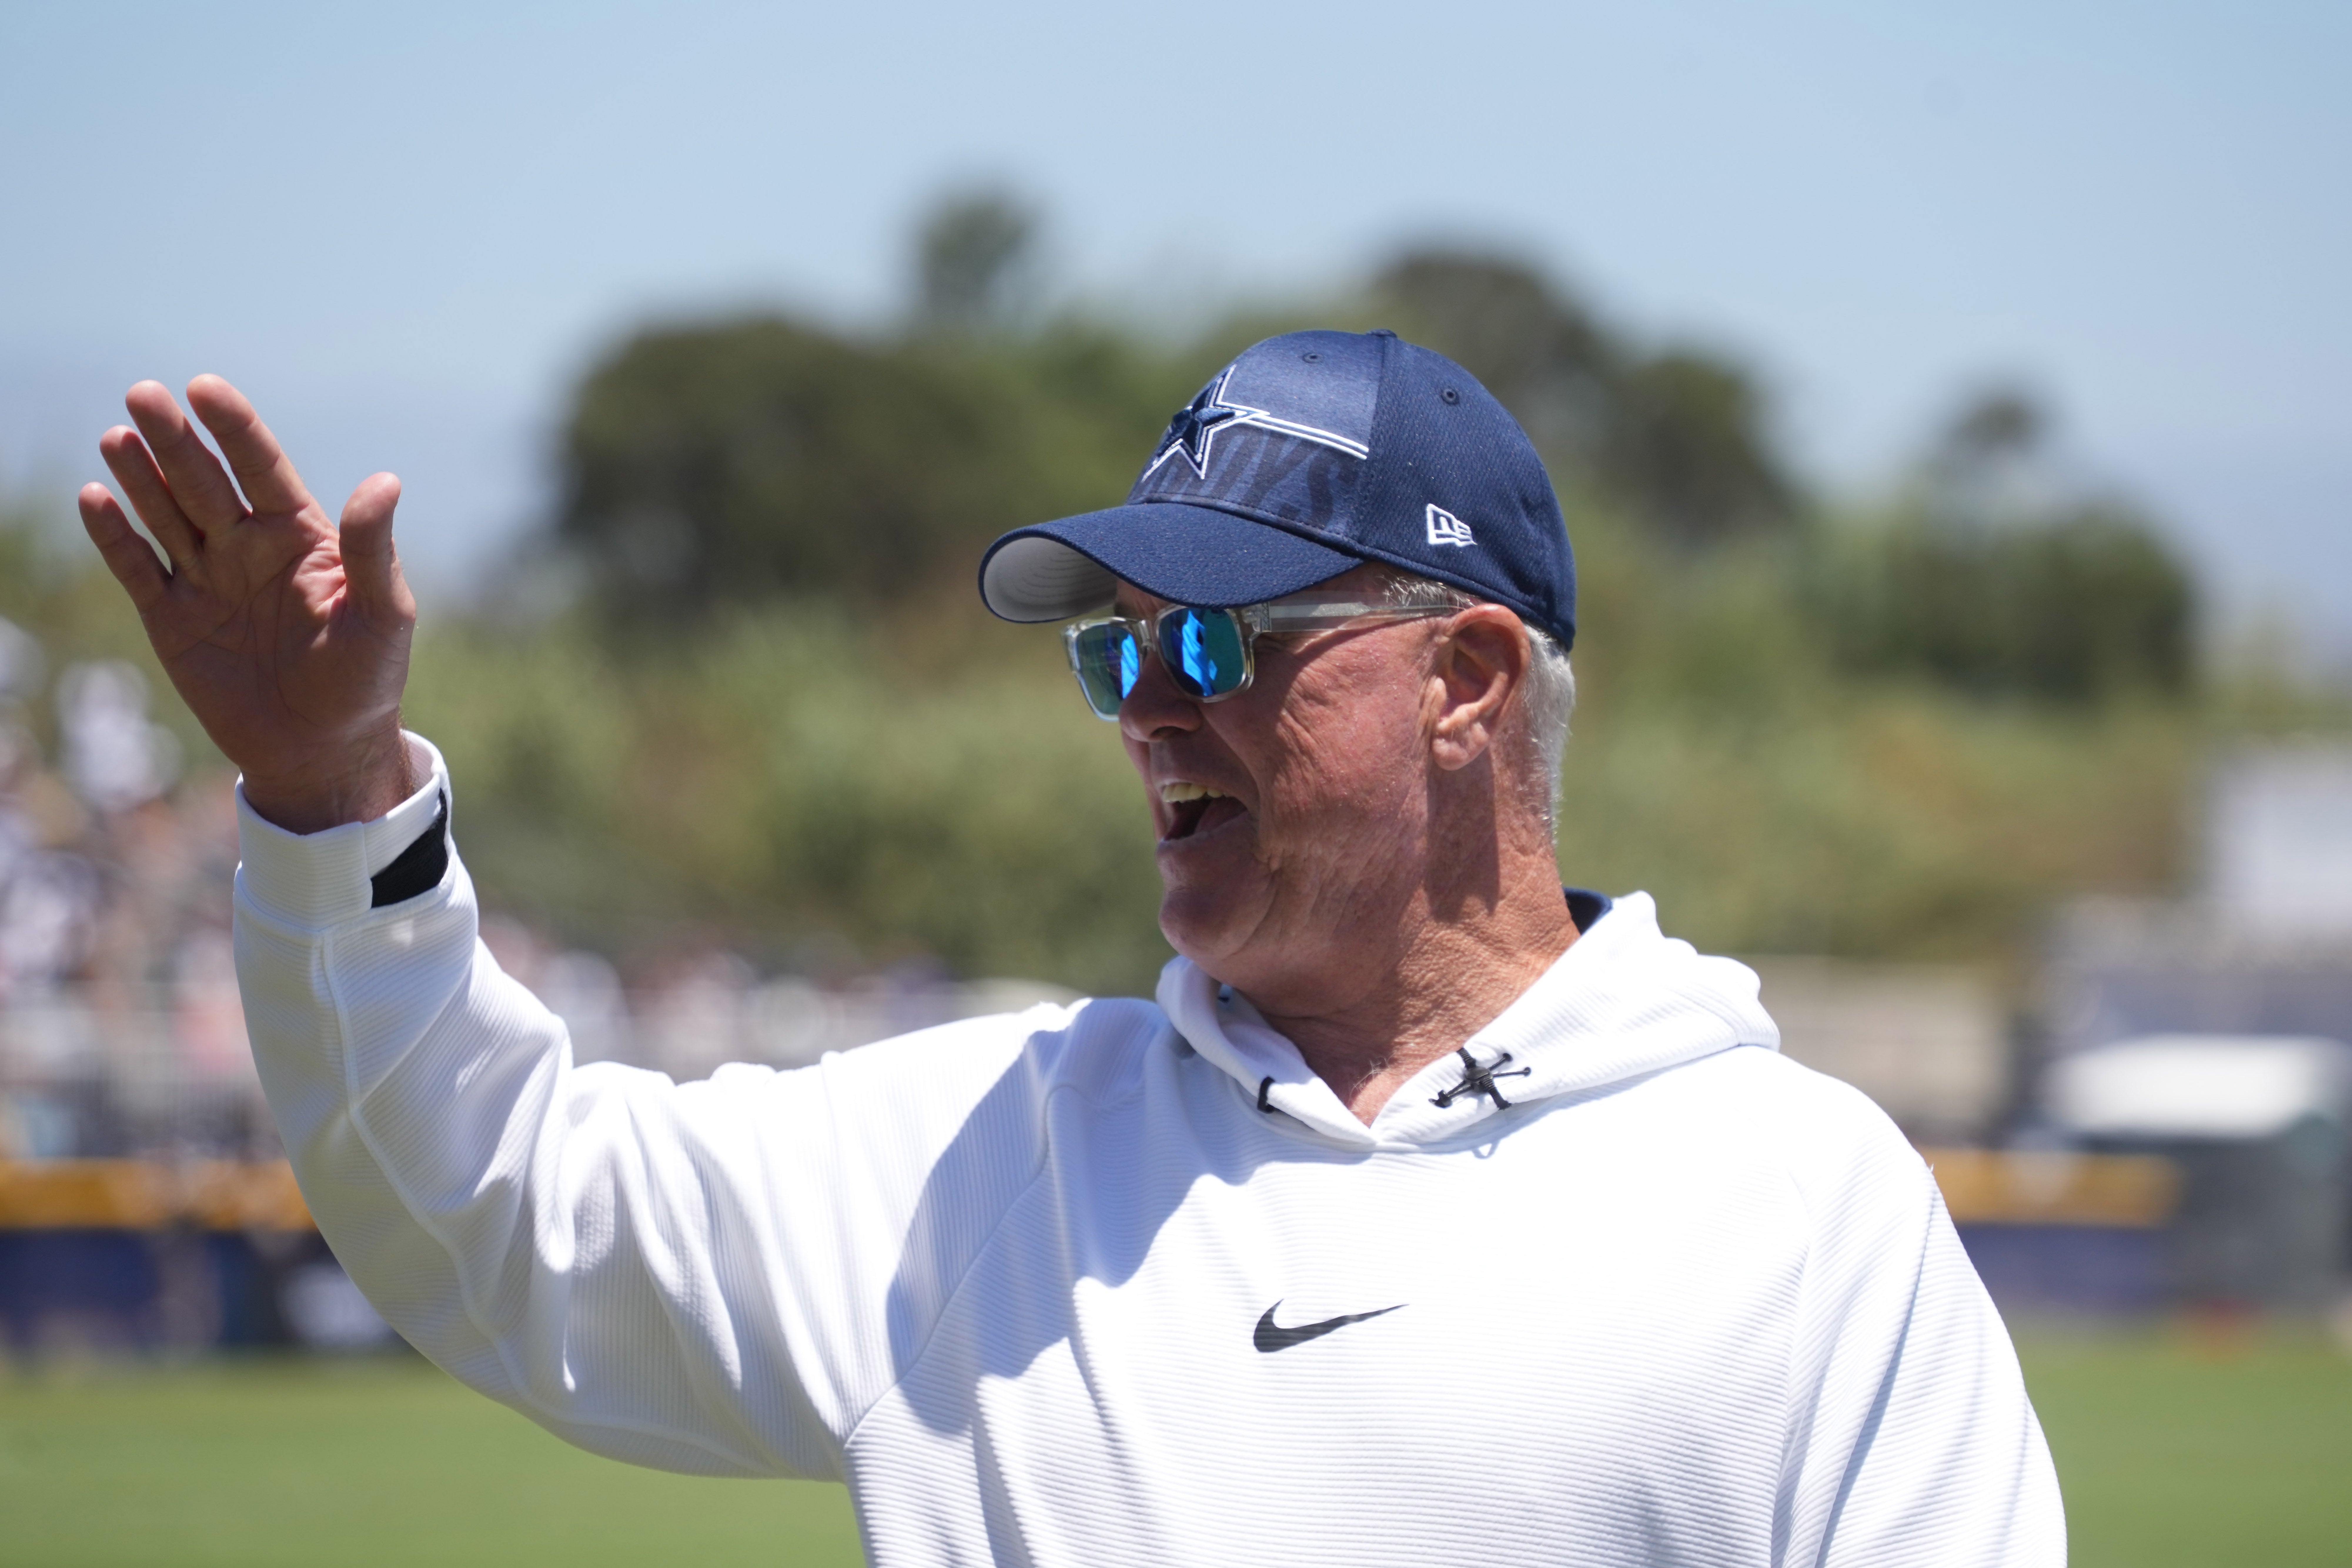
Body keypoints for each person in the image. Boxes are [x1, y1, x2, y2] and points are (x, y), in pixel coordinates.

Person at [80, 329, 2064, 1566]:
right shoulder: (991, 1153)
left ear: (1464, 678)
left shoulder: (1800, 1207)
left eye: (1219, 641)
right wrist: (335, 796)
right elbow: (498, 1221)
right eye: (1114, 649)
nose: (1141, 705)